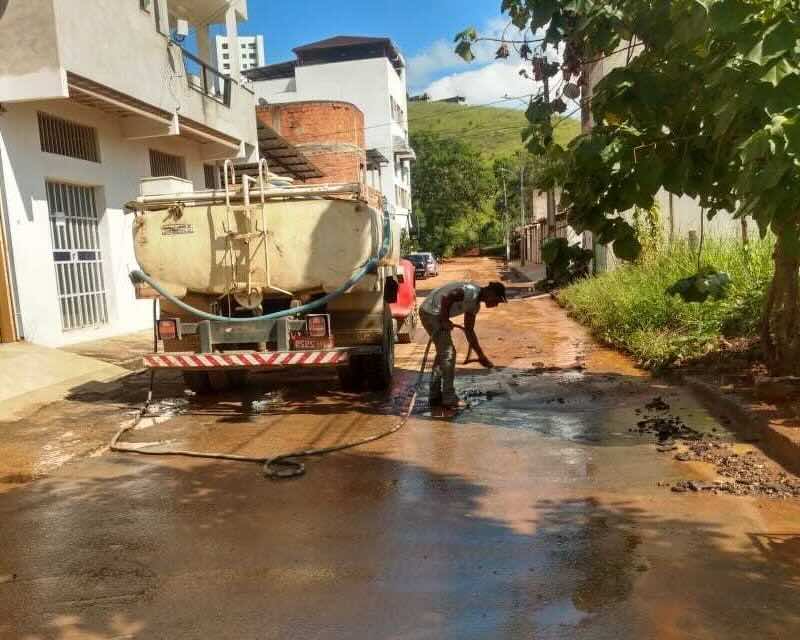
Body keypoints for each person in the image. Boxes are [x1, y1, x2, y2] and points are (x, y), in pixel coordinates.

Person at [419, 281, 507, 408]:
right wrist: (444, 319)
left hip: (434, 313)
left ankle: (435, 396)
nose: (496, 305)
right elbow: (447, 298)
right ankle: (449, 398)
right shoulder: (471, 291)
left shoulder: (475, 305)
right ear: (491, 292)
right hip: (431, 313)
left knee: (442, 355)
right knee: (448, 354)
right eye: (497, 301)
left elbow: (469, 330)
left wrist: (481, 356)